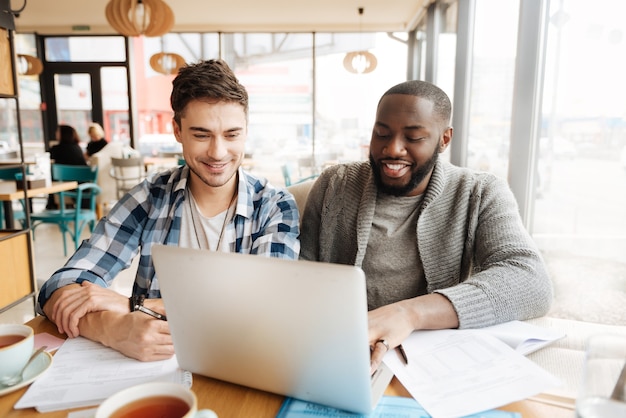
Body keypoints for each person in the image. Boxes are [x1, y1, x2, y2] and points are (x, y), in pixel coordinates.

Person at [38, 59, 301, 361]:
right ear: (177, 130)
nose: (218, 152)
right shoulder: (151, 196)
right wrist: (112, 329)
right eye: (201, 135)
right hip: (153, 369)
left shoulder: (273, 205)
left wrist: (130, 306)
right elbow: (59, 286)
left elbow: (267, 306)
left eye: (231, 135)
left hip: (238, 363)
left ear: (246, 130)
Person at [299, 80, 553, 373]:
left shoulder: (480, 192)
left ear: (444, 139)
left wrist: (408, 314)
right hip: (346, 350)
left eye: (414, 137)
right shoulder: (335, 184)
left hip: (431, 361)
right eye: (381, 133)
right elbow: (303, 272)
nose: (392, 149)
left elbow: (531, 281)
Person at [46, 124, 88, 209]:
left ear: (63, 134)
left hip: (70, 185)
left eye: (58, 131)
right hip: (85, 185)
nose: (55, 133)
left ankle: (52, 205)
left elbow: (46, 156)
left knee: (52, 174)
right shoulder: (77, 148)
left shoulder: (58, 149)